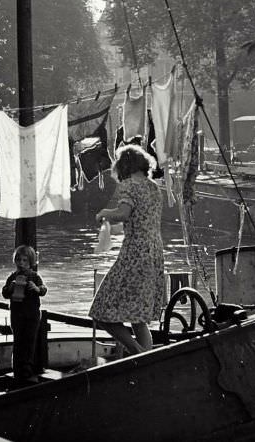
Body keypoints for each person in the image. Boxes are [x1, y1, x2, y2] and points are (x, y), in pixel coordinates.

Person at [90, 144, 164, 356]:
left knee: (101, 311)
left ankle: (138, 352)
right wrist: (111, 228)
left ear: (123, 166)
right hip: (155, 252)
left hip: (135, 253)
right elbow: (138, 219)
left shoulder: (130, 185)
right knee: (138, 318)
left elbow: (123, 213)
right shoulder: (154, 187)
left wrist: (105, 212)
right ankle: (146, 362)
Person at [2, 245, 47, 385]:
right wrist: (10, 288)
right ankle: (17, 367)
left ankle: (27, 368)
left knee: (29, 341)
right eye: (19, 260)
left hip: (32, 314)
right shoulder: (12, 277)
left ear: (31, 262)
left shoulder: (34, 276)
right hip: (17, 314)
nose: (21, 263)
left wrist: (36, 288)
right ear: (15, 261)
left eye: (25, 261)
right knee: (18, 340)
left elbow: (44, 289)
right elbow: (4, 293)